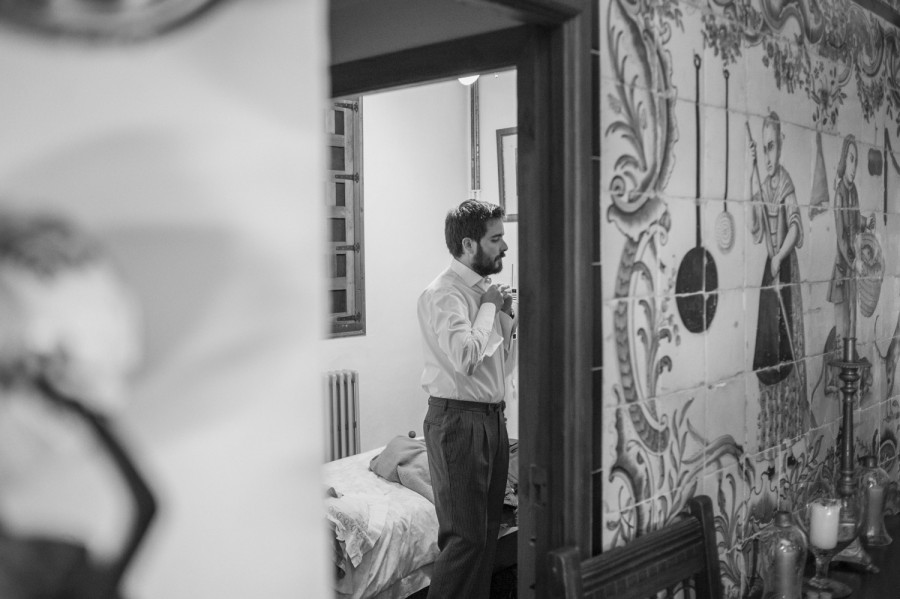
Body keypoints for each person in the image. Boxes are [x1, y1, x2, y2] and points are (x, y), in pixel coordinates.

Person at [417, 199, 517, 599]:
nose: (504, 246)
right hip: (458, 422)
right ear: (469, 244)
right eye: (496, 238)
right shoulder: (444, 294)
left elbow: (500, 369)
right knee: (466, 540)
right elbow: (465, 358)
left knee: (487, 534)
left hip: (492, 418)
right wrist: (490, 308)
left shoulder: (486, 295)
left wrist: (504, 315)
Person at [747, 112, 807, 449]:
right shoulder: (763, 184)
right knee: (768, 345)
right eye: (764, 148)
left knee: (787, 344)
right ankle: (771, 430)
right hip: (769, 274)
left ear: (780, 146)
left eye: (772, 147)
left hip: (783, 268)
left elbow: (795, 227)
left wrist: (779, 257)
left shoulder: (784, 181)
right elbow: (754, 228)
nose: (768, 156)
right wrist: (749, 172)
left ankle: (791, 423)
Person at [828, 134, 875, 344]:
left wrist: (867, 222)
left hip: (853, 268)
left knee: (853, 326)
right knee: (843, 328)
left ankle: (850, 361)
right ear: (843, 160)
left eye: (856, 161)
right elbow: (841, 238)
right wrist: (854, 261)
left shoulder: (853, 191)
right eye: (851, 159)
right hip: (843, 268)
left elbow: (855, 220)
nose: (854, 167)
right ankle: (840, 363)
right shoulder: (839, 194)